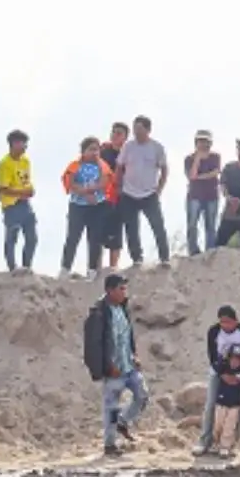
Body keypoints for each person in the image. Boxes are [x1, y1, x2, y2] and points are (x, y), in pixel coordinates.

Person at [84, 273, 147, 457]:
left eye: (125, 288)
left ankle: (123, 421)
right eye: (121, 288)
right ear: (109, 290)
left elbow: (127, 336)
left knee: (142, 395)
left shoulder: (123, 308)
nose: (124, 292)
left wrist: (134, 355)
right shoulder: (98, 313)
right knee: (111, 407)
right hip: (112, 370)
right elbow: (93, 344)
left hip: (128, 365)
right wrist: (104, 367)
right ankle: (109, 445)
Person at [115, 115, 170, 267]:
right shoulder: (128, 146)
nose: (136, 132)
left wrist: (159, 189)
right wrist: (118, 186)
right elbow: (119, 166)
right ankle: (137, 259)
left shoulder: (156, 147)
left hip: (149, 193)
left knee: (157, 225)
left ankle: (164, 258)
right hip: (129, 193)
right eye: (134, 129)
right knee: (131, 228)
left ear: (148, 130)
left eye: (139, 129)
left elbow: (164, 169)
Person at [195, 305, 240, 456]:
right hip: (218, 372)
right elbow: (212, 356)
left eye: (229, 322)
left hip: (239, 374)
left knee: (236, 407)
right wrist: (223, 374)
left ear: (235, 321)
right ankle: (205, 440)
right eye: (222, 322)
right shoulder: (214, 332)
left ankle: (232, 442)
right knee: (211, 404)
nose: (226, 326)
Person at [60, 138, 115, 277]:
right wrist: (85, 192)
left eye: (96, 149)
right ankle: (65, 268)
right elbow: (71, 182)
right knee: (73, 237)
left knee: (95, 238)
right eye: (91, 149)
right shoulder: (75, 165)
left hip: (97, 206)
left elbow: (105, 181)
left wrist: (93, 190)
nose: (94, 152)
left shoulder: (102, 165)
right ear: (83, 151)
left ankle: (92, 270)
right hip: (78, 205)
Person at [0, 129, 37, 271]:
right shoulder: (5, 163)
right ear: (13, 144)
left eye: (25, 143)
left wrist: (30, 190)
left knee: (32, 236)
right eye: (22, 143)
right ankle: (12, 268)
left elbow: (26, 181)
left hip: (25, 203)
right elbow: (4, 189)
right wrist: (22, 192)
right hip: (11, 205)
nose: (25, 146)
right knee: (12, 236)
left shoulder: (25, 161)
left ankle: (26, 266)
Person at [207, 347, 240, 459]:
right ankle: (215, 443)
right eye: (232, 359)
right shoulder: (223, 367)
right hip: (221, 402)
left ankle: (225, 446)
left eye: (238, 360)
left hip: (235, 404)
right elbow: (217, 367)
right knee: (218, 424)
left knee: (229, 426)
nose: (234, 362)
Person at [183, 130, 221, 256]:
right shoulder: (189, 159)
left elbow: (215, 173)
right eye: (200, 141)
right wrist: (197, 159)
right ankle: (193, 251)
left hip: (211, 195)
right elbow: (192, 175)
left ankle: (210, 251)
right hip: (194, 195)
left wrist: (199, 177)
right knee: (192, 225)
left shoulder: (215, 157)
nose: (203, 144)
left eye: (206, 141)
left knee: (210, 225)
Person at [99, 122, 129, 269]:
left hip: (119, 198)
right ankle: (95, 268)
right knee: (97, 233)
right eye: (113, 132)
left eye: (119, 133)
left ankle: (113, 268)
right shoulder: (103, 151)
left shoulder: (128, 153)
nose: (115, 135)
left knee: (116, 234)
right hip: (101, 197)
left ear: (125, 137)